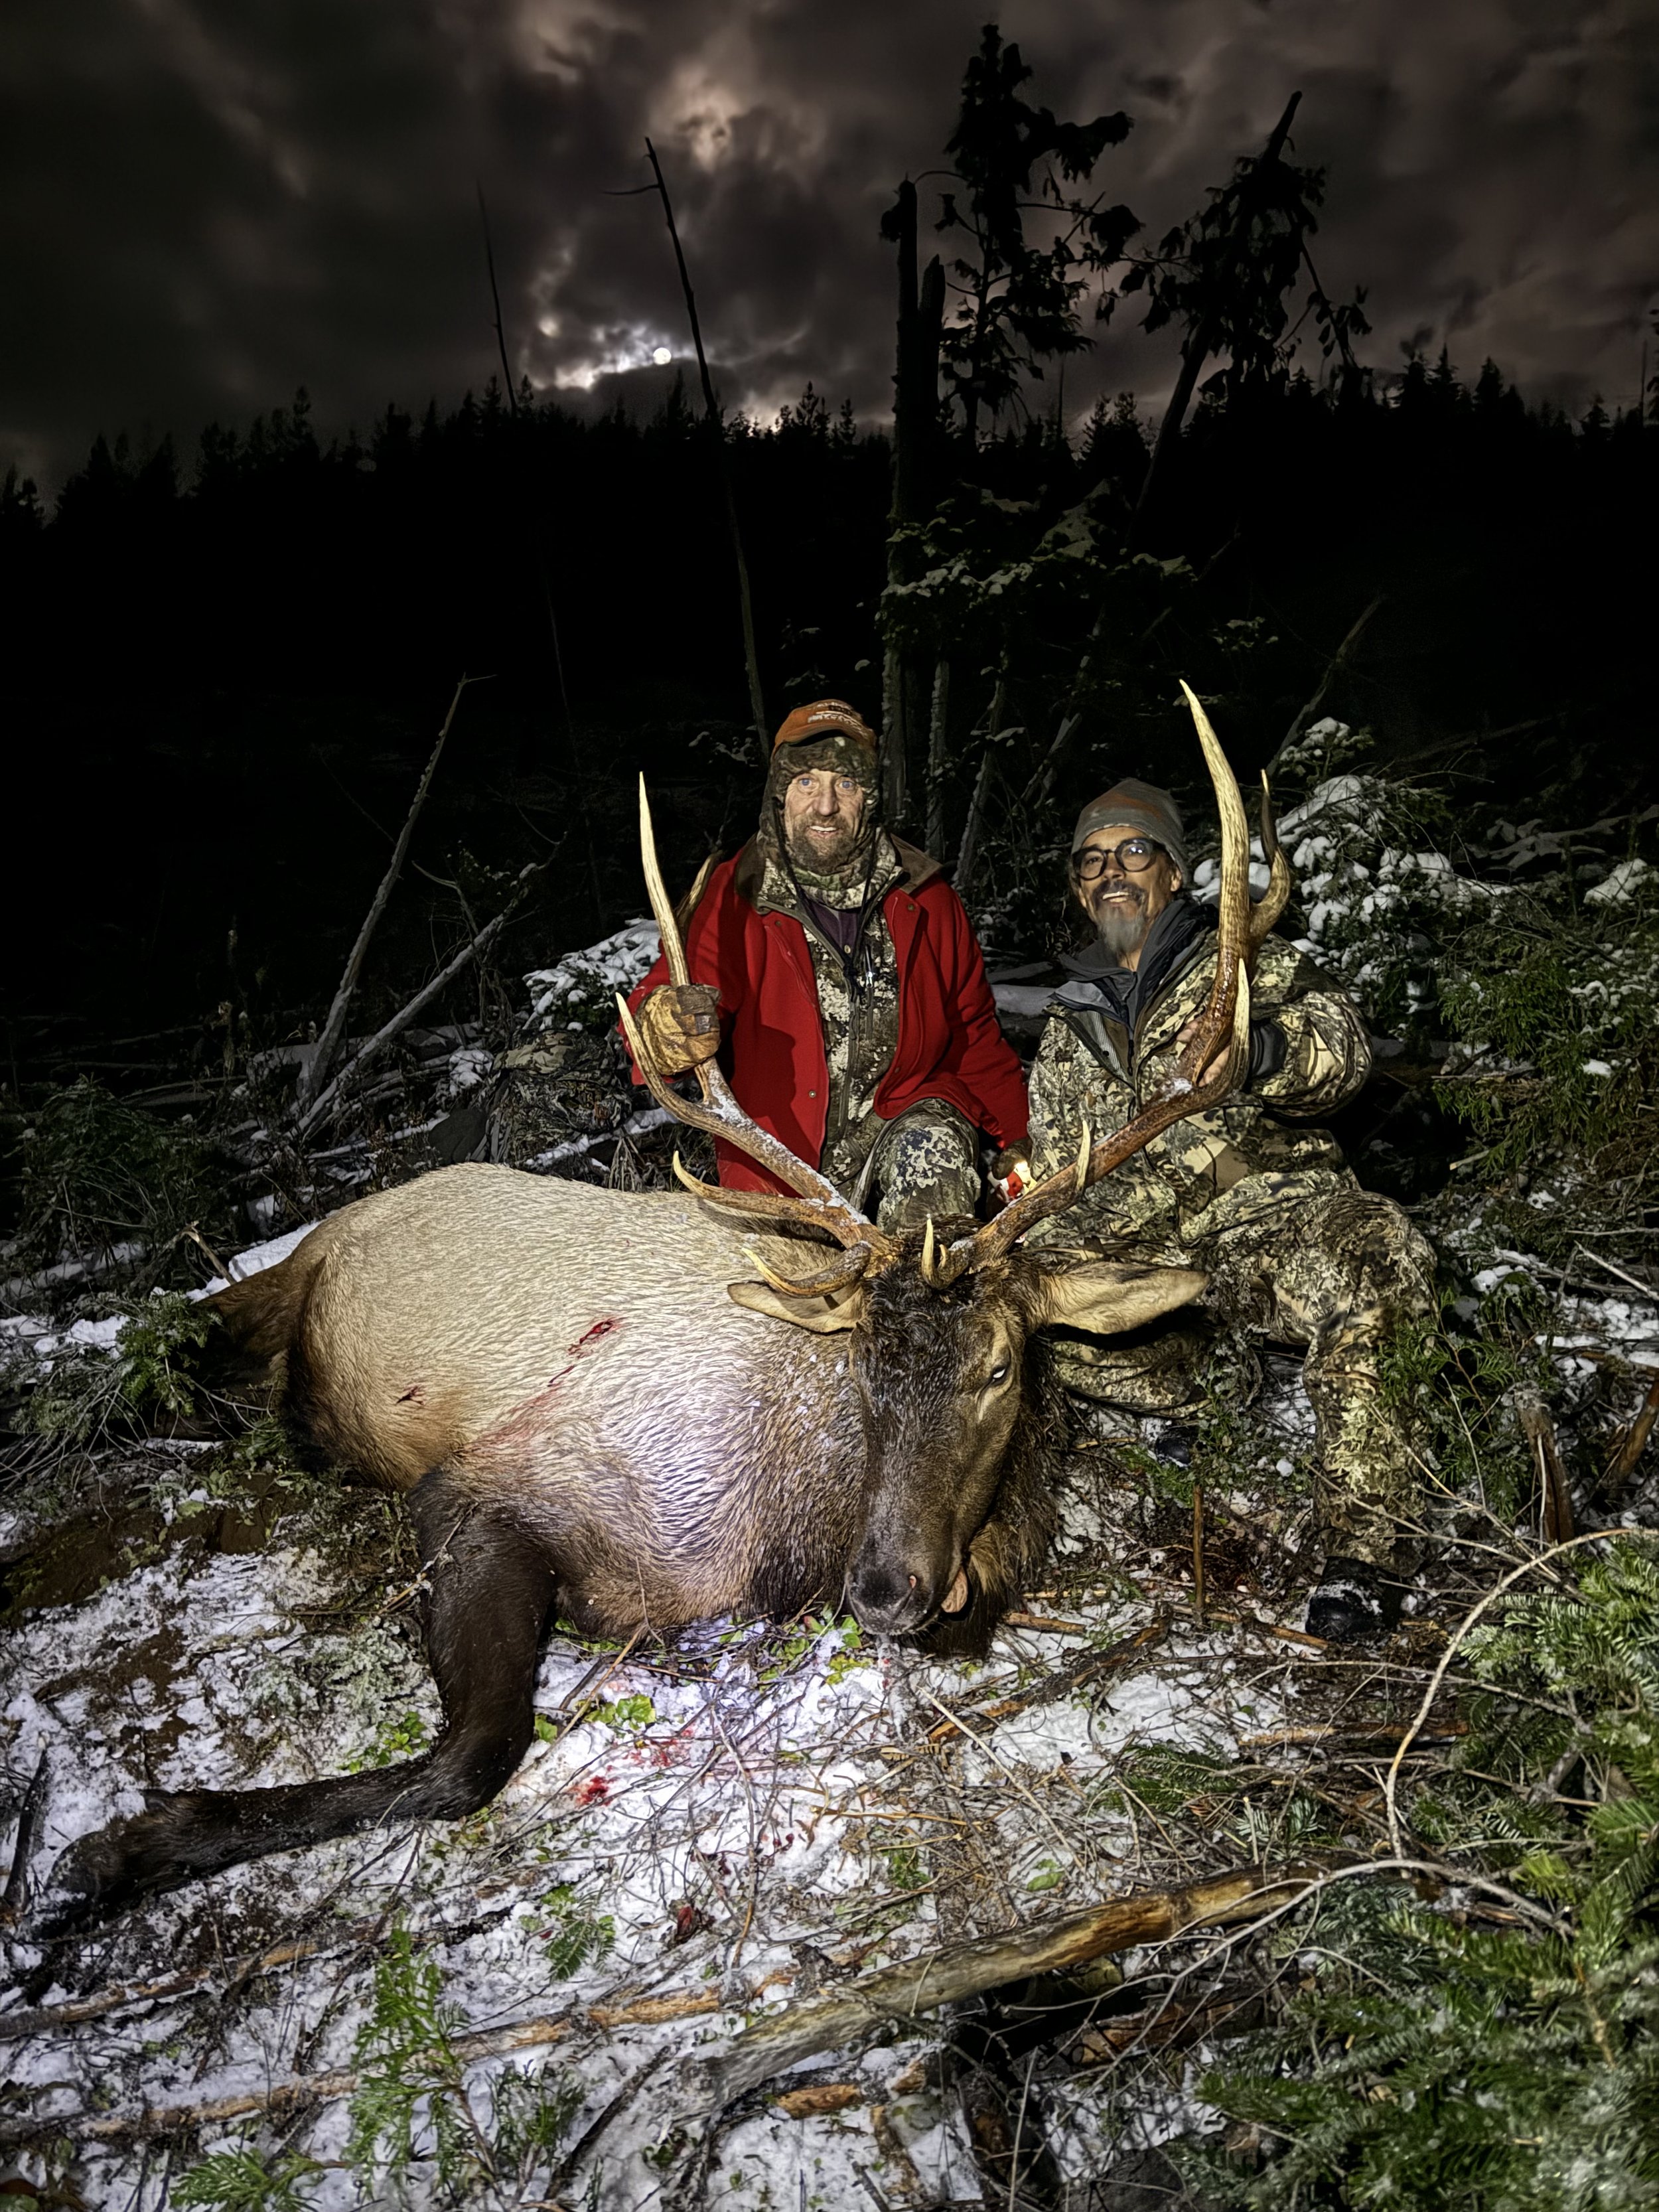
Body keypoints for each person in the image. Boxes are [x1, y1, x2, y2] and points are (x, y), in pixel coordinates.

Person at [1023, 776, 1436, 1642]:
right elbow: (1066, 1166)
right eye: (1090, 860)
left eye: (1134, 851)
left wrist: (1259, 1052)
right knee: (1016, 1317)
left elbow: (1341, 1059)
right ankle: (1211, 1395)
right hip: (1153, 1266)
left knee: (1374, 1250)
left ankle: (1368, 1553)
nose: (1112, 873)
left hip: (1264, 1229)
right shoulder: (1072, 1022)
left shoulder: (1247, 961)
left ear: (1174, 872)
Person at [628, 698, 1028, 1230]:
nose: (824, 806)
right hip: (779, 1153)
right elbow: (660, 1006)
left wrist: (1023, 1138)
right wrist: (665, 1027)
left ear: (870, 796)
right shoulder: (736, 893)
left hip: (903, 1121)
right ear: (780, 795)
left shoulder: (927, 899)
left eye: (845, 783)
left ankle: (925, 1302)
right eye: (806, 783)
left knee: (935, 1160)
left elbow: (973, 1034)